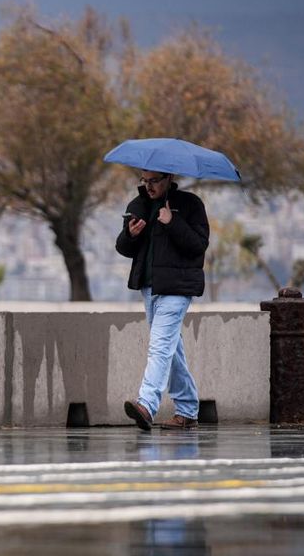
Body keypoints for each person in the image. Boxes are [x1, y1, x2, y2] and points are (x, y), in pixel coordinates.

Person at [115, 170, 209, 431]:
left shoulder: (190, 204)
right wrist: (130, 234)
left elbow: (198, 245)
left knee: (159, 347)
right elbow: (123, 247)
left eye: (154, 181)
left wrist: (172, 222)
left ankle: (147, 404)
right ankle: (187, 409)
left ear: (169, 177)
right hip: (149, 288)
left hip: (177, 288)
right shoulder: (138, 205)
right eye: (145, 181)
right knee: (170, 349)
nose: (149, 186)